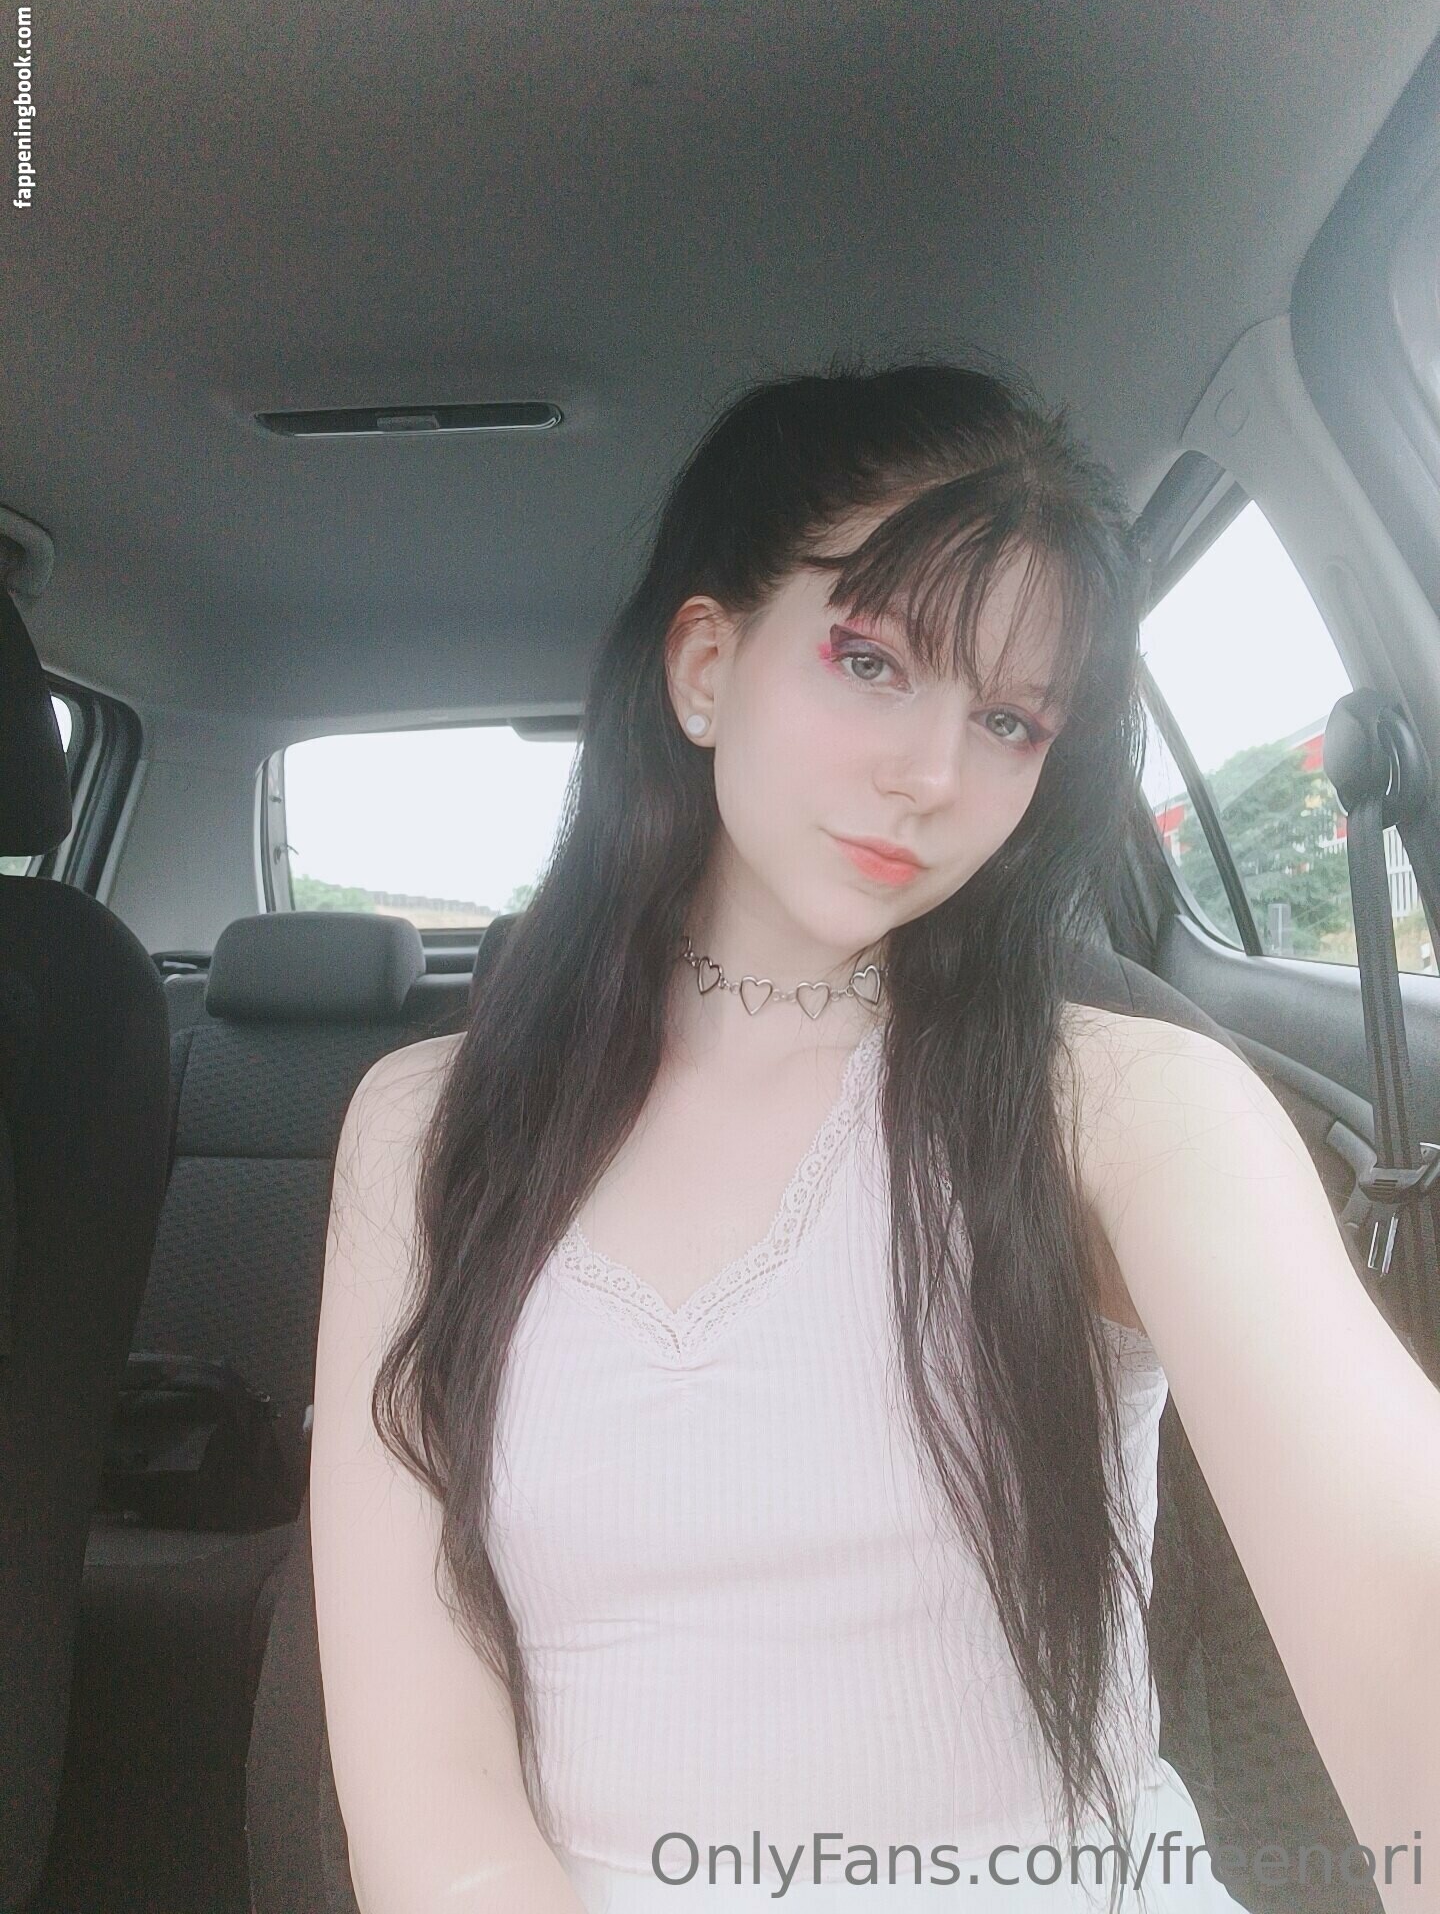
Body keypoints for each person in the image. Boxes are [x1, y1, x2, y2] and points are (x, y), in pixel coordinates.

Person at [313, 357, 1440, 1914]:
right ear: (705, 665)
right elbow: (427, 1787)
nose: (934, 777)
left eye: (1012, 720)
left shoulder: (1123, 1107)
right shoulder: (425, 1131)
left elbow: (1396, 1559)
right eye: (870, 660)